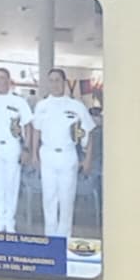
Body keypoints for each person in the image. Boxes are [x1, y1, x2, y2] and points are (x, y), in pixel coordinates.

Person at [32, 68, 91, 237]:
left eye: (57, 80)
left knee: (66, 199)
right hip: (47, 155)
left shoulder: (76, 106)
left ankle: (64, 236)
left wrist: (87, 159)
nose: (54, 84)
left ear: (64, 82)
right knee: (49, 198)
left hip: (68, 155)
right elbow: (36, 131)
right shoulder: (42, 106)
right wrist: (34, 154)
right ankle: (50, 235)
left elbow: (88, 131)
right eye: (51, 81)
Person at [0, 66, 33, 233]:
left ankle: (10, 220)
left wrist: (27, 148)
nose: (0, 81)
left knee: (11, 184)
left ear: (9, 81)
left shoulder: (19, 101)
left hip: (12, 145)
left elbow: (28, 125)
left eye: (3, 78)